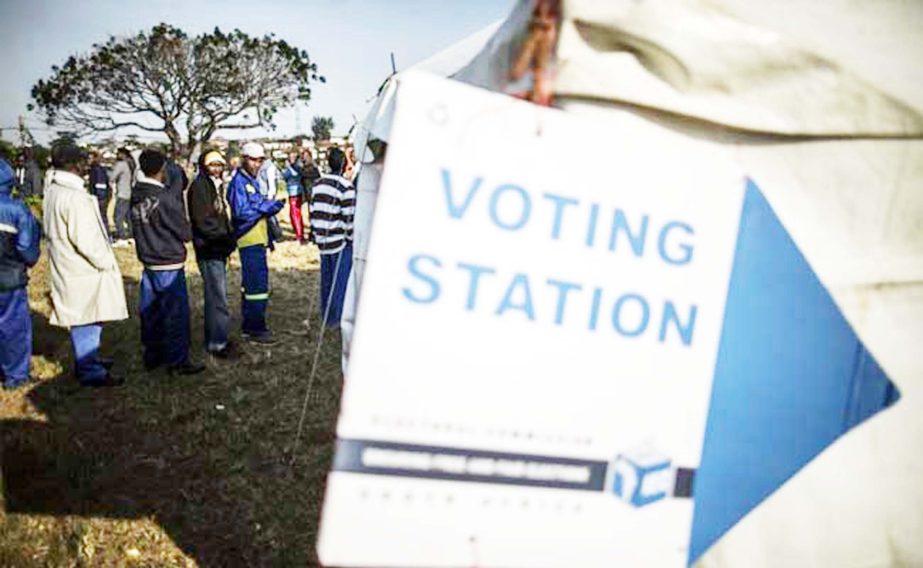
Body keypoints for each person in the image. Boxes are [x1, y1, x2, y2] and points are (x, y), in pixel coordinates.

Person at [43, 144, 127, 387]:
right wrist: (106, 262)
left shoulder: (55, 191)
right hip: (83, 269)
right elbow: (86, 239)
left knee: (87, 317)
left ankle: (89, 361)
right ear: (71, 164)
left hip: (71, 266)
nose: (86, 164)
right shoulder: (74, 196)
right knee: (86, 319)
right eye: (82, 160)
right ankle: (90, 370)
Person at [130, 149, 205, 376]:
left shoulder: (137, 194)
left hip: (148, 261)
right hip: (168, 263)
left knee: (150, 312)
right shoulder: (164, 198)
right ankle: (177, 360)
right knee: (175, 315)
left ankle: (152, 354)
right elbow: (184, 232)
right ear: (162, 169)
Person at [227, 142, 284, 343]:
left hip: (257, 240)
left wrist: (267, 206)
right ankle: (255, 328)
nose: (257, 163)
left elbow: (256, 204)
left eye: (260, 160)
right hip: (248, 240)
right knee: (257, 287)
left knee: (252, 285)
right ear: (244, 158)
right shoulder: (239, 183)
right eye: (253, 159)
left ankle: (250, 324)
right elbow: (242, 212)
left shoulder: (250, 180)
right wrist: (267, 208)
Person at [187, 150, 237, 358]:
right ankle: (217, 343)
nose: (216, 169)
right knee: (218, 297)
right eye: (212, 165)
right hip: (210, 248)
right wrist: (225, 238)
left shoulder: (215, 185)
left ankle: (217, 336)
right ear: (203, 166)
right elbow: (203, 221)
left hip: (217, 247)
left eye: (219, 165)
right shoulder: (200, 187)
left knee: (216, 295)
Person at [0, 158, 41, 390]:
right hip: (9, 280)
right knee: (13, 328)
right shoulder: (17, 209)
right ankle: (16, 376)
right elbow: (27, 249)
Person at [310, 147, 355, 327]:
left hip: (322, 240)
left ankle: (327, 317)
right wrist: (351, 239)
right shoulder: (346, 187)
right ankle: (338, 318)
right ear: (345, 165)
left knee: (326, 280)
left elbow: (313, 210)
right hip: (339, 242)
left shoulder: (318, 184)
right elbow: (349, 218)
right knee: (340, 282)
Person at [111, 147, 134, 244]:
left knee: (117, 217)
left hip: (122, 193)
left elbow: (112, 177)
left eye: (118, 153)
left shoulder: (121, 164)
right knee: (128, 216)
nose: (117, 155)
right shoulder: (131, 164)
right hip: (130, 193)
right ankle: (131, 234)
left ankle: (122, 236)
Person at [282, 152, 307, 243]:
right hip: (297, 192)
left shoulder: (294, 168)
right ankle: (299, 233)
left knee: (295, 214)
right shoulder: (298, 166)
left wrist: (288, 167)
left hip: (294, 193)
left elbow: (285, 176)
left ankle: (299, 235)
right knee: (296, 214)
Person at [88, 152, 111, 236]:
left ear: (95, 158)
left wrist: (98, 198)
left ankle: (107, 236)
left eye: (90, 158)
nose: (88, 160)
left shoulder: (97, 169)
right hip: (99, 197)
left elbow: (101, 185)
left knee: (101, 217)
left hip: (100, 198)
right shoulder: (94, 169)